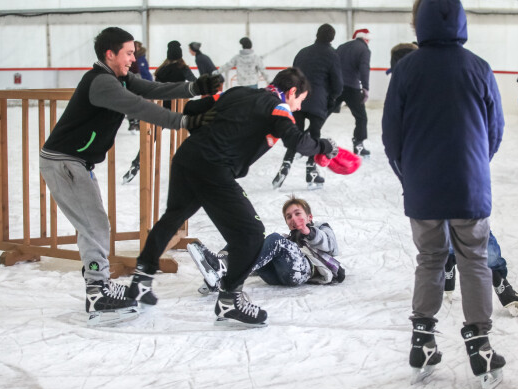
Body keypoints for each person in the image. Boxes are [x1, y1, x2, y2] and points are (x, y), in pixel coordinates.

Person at [128, 68, 338, 328]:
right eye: (300, 101)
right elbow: (297, 142)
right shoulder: (279, 107)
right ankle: (230, 300)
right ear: (292, 92)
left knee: (173, 218)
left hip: (188, 158)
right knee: (251, 234)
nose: (298, 107)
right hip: (214, 168)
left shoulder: (239, 92)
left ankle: (140, 281)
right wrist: (324, 147)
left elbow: (193, 109)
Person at [38, 27, 222, 318]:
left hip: (74, 162)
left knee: (93, 225)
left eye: (133, 53)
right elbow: (142, 107)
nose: (132, 59)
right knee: (95, 226)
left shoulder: (119, 78)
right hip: (64, 162)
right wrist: (187, 121)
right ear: (109, 54)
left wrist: (194, 88)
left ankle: (98, 287)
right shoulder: (101, 83)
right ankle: (97, 293)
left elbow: (152, 89)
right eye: (128, 53)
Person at [382, 0, 506, 389]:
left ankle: (422, 342)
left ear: (419, 22)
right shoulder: (479, 67)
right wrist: (474, 164)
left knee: (430, 258)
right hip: (469, 184)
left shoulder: (406, 69)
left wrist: (411, 174)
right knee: (473, 260)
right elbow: (495, 129)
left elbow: (391, 136)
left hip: (423, 185)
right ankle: (480, 346)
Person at [189, 195, 345, 294]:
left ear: (309, 217)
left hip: (303, 271)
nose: (293, 218)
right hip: (276, 275)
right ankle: (219, 271)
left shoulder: (320, 229)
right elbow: (257, 259)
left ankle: (220, 269)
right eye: (288, 216)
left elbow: (330, 245)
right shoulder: (288, 241)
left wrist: (306, 230)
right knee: (251, 240)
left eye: (298, 213)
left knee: (275, 239)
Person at [272, 24, 343, 190]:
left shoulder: (302, 52)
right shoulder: (332, 55)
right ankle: (311, 170)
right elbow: (338, 84)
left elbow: (292, 75)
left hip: (298, 99)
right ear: (332, 38)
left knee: (296, 134)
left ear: (317, 34)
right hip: (318, 101)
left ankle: (286, 165)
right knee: (315, 135)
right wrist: (332, 98)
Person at [122, 40, 197, 184]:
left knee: (150, 139)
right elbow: (193, 82)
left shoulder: (162, 69)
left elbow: (155, 87)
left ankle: (136, 164)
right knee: (196, 133)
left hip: (162, 110)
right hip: (180, 109)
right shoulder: (183, 68)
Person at [335, 28, 371, 158]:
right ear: (366, 39)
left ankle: (306, 140)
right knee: (361, 117)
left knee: (322, 114)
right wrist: (365, 88)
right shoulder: (364, 49)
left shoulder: (341, 47)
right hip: (352, 87)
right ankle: (358, 145)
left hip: (337, 87)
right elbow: (364, 68)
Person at [126, 40, 152, 132]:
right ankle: (133, 122)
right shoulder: (130, 57)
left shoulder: (141, 59)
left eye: (135, 46)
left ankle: (138, 121)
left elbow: (145, 73)